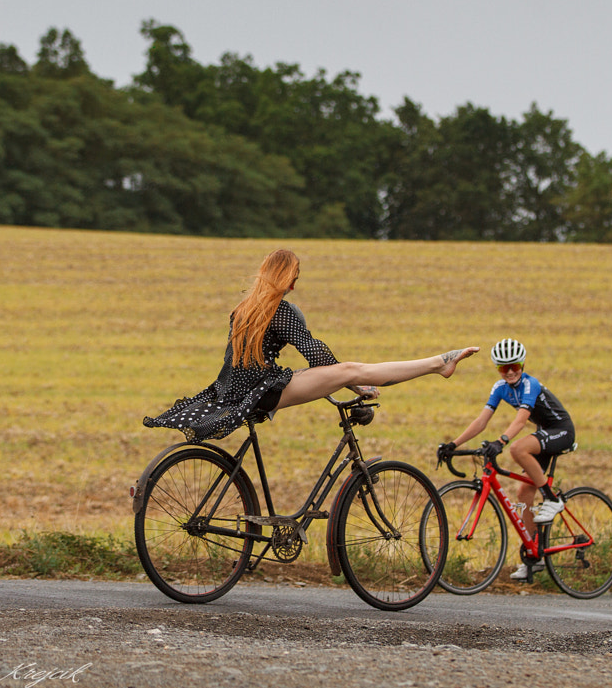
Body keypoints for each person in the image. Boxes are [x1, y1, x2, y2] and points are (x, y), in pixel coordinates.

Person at [144, 249, 478, 442]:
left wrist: (335, 384)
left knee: (335, 374)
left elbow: (302, 370)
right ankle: (438, 364)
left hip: (232, 392)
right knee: (352, 369)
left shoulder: (244, 309)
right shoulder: (280, 311)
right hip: (263, 392)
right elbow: (317, 354)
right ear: (285, 276)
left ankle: (431, 365)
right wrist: (351, 380)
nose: (295, 283)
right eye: (295, 276)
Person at [437, 338, 575, 580]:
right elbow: (482, 421)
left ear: (522, 365)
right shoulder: (500, 388)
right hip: (544, 433)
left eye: (515, 366)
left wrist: (501, 442)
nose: (510, 372)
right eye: (503, 368)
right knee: (523, 494)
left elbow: (521, 420)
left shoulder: (530, 385)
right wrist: (453, 444)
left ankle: (553, 500)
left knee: (517, 449)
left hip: (561, 430)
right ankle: (536, 556)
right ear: (498, 369)